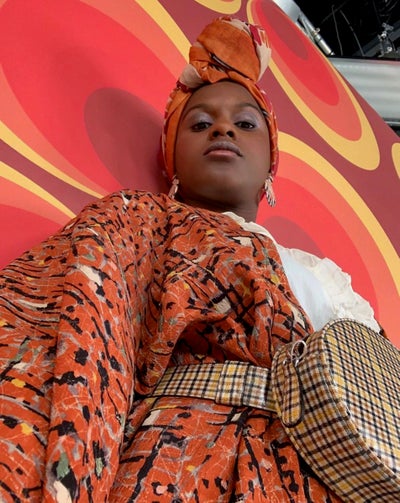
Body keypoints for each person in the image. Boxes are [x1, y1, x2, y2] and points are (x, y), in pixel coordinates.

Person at [0, 16, 379, 502]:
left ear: (270, 162)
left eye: (246, 123)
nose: (223, 128)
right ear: (172, 160)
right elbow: (81, 329)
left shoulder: (327, 278)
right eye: (200, 123)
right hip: (182, 463)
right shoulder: (139, 220)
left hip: (326, 474)